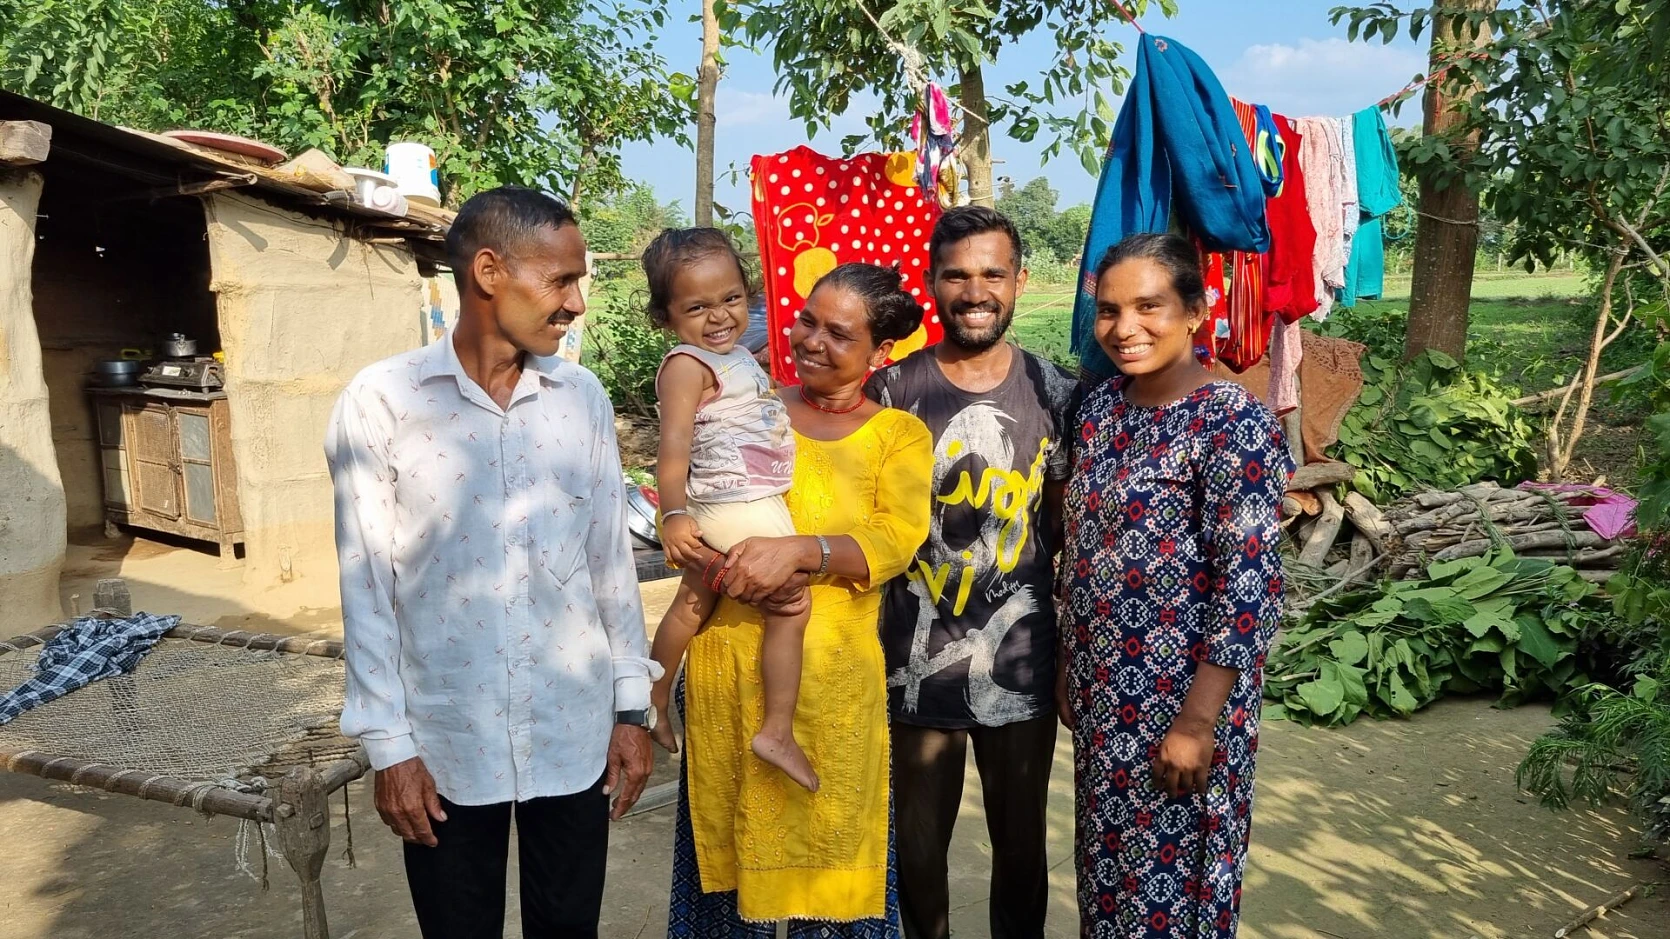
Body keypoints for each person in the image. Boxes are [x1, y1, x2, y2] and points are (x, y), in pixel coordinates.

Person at [325, 186, 662, 939]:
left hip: (571, 730)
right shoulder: (383, 401)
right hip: (448, 741)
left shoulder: (583, 399)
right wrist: (390, 747)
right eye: (561, 280)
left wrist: (629, 709)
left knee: (568, 926)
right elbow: (367, 585)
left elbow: (611, 566)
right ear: (487, 271)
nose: (576, 303)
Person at [668, 263, 933, 935]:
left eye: (837, 332)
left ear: (880, 353)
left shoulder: (899, 434)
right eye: (807, 319)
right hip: (726, 673)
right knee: (725, 891)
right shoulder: (746, 406)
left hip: (834, 688)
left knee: (831, 886)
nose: (811, 339)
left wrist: (801, 550)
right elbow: (702, 497)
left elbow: (896, 537)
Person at [1059, 233, 1293, 938]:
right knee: (1108, 881)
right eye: (1108, 310)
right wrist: (1074, 665)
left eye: (1149, 306)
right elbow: (1083, 551)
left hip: (1182, 704)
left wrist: (1196, 722)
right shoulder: (1099, 410)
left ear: (1196, 309)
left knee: (1174, 887)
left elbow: (1249, 586)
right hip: (1108, 702)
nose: (1124, 328)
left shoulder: (1232, 422)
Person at [864, 206, 1079, 939]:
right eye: (957, 274)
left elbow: (1060, 528)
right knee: (918, 846)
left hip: (1018, 656)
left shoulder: (1057, 393)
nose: (975, 289)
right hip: (911, 660)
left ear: (1020, 279)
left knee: (1020, 847)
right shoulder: (890, 393)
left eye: (992, 272)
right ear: (932, 282)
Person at [641, 227, 817, 791]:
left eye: (731, 299)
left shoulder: (738, 354)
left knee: (693, 603)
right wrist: (673, 515)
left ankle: (652, 699)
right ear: (666, 316)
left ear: (749, 295)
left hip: (746, 496)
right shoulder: (687, 366)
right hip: (733, 501)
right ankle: (777, 731)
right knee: (792, 603)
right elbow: (672, 448)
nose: (718, 316)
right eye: (696, 307)